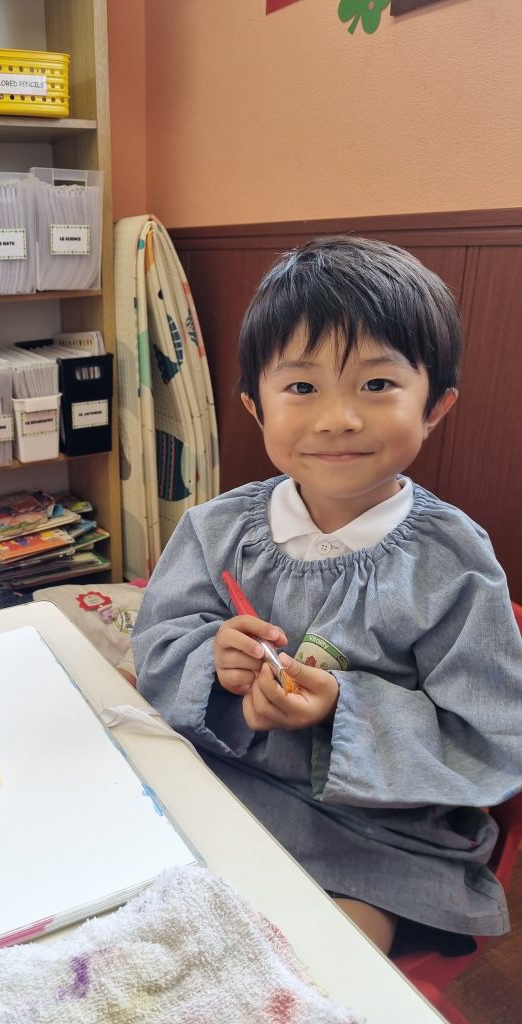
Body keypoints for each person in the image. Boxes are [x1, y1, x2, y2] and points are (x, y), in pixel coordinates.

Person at [131, 235, 522, 955]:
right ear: (256, 407)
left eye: (377, 385)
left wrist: (344, 706)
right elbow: (156, 647)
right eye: (302, 388)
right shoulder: (215, 530)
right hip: (222, 782)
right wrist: (212, 659)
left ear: (435, 406)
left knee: (319, 962)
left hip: (374, 833)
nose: (337, 417)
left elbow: (489, 734)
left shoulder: (455, 562)